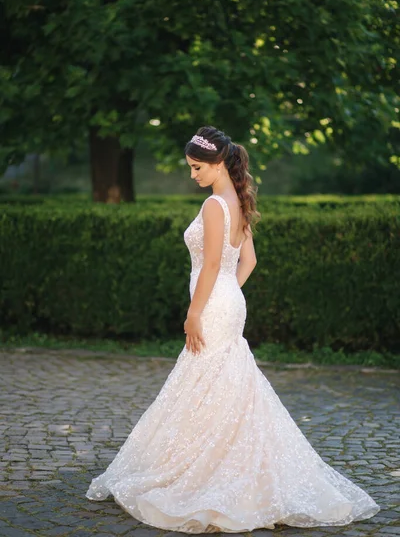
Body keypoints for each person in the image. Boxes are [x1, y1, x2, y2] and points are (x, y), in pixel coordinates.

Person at [86, 126, 380, 533]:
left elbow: (209, 266)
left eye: (196, 167)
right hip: (227, 303)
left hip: (211, 306)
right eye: (190, 167)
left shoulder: (213, 206)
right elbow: (248, 262)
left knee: (206, 381)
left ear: (218, 162)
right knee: (224, 382)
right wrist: (227, 294)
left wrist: (195, 313)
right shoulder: (237, 202)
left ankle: (206, 471)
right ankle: (221, 461)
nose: (192, 175)